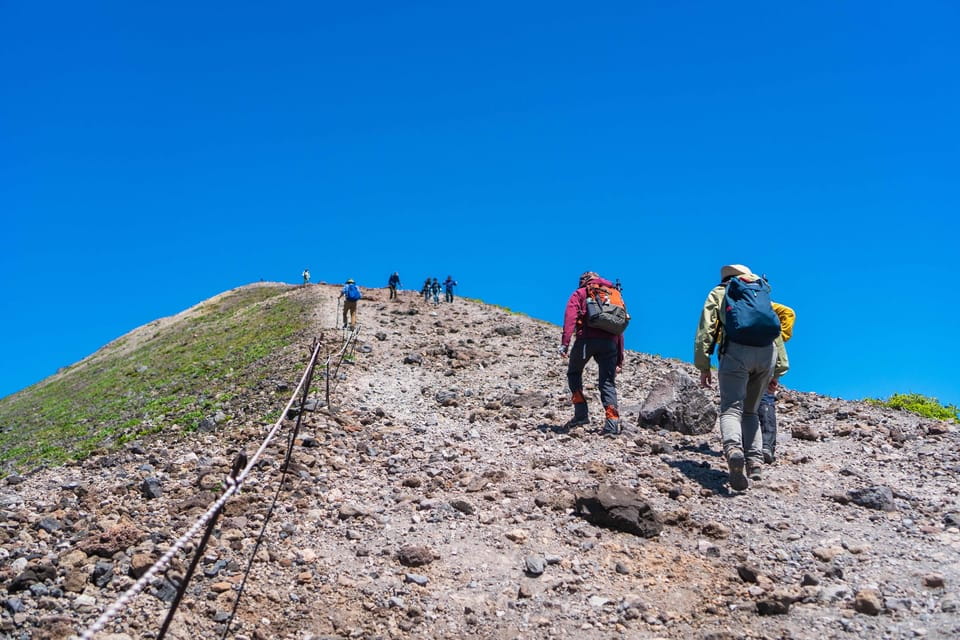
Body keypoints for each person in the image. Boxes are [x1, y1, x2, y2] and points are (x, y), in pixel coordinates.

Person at [694, 264, 786, 491]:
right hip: (767, 354)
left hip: (736, 352)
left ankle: (734, 450)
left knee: (731, 409)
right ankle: (755, 463)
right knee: (750, 411)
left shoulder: (720, 292)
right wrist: (778, 369)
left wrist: (703, 365)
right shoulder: (760, 290)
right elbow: (774, 329)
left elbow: (707, 328)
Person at [559, 271, 625, 436]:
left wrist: (565, 343)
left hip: (586, 340)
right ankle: (612, 423)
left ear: (583, 281)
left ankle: (581, 414)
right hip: (610, 343)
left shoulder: (581, 293)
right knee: (607, 382)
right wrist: (619, 359)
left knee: (574, 373)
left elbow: (570, 317)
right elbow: (619, 327)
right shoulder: (613, 294)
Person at [760, 303, 794, 463]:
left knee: (739, 405)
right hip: (765, 356)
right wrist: (781, 336)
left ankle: (744, 447)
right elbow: (789, 313)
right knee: (765, 398)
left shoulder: (726, 300)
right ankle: (766, 446)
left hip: (736, 356)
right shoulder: (763, 302)